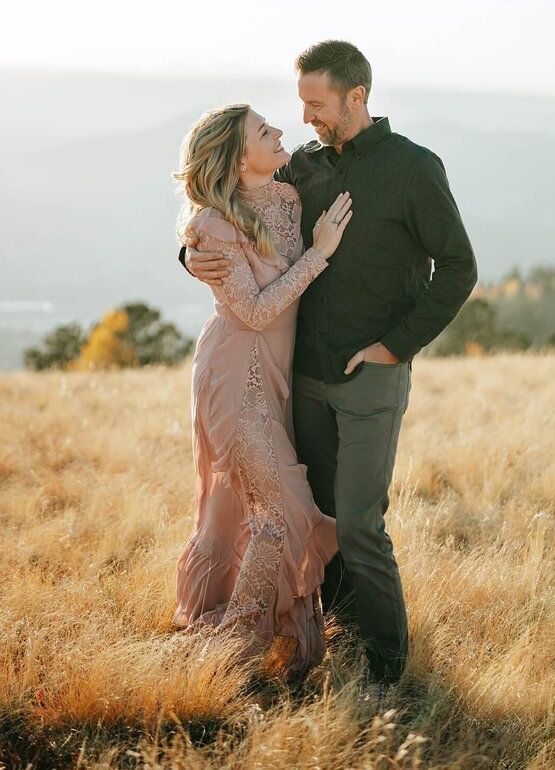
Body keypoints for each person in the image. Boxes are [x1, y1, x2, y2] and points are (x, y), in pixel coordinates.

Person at [185, 41, 478, 698]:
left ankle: (385, 668)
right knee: (318, 520)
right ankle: (339, 642)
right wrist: (190, 253)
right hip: (301, 381)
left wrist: (395, 347)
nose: (306, 119)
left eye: (317, 105)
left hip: (373, 377)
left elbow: (459, 267)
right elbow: (233, 200)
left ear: (356, 97)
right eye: (301, 106)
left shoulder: (414, 169)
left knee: (357, 524)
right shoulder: (307, 170)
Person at [172, 102, 354, 678]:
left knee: (242, 506)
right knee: (280, 509)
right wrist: (320, 254)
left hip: (276, 378)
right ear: (234, 155)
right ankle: (235, 654)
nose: (280, 134)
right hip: (234, 376)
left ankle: (243, 630)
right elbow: (251, 310)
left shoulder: (288, 198)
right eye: (264, 131)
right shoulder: (212, 227)